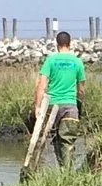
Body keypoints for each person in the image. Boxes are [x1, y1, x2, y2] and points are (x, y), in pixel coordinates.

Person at [33, 27, 86, 171]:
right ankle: (67, 171)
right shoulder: (77, 62)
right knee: (68, 141)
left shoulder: (51, 60)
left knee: (54, 139)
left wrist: (37, 107)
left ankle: (59, 169)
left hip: (52, 107)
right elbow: (81, 89)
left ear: (57, 44)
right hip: (70, 106)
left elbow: (41, 85)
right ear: (70, 44)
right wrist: (79, 105)